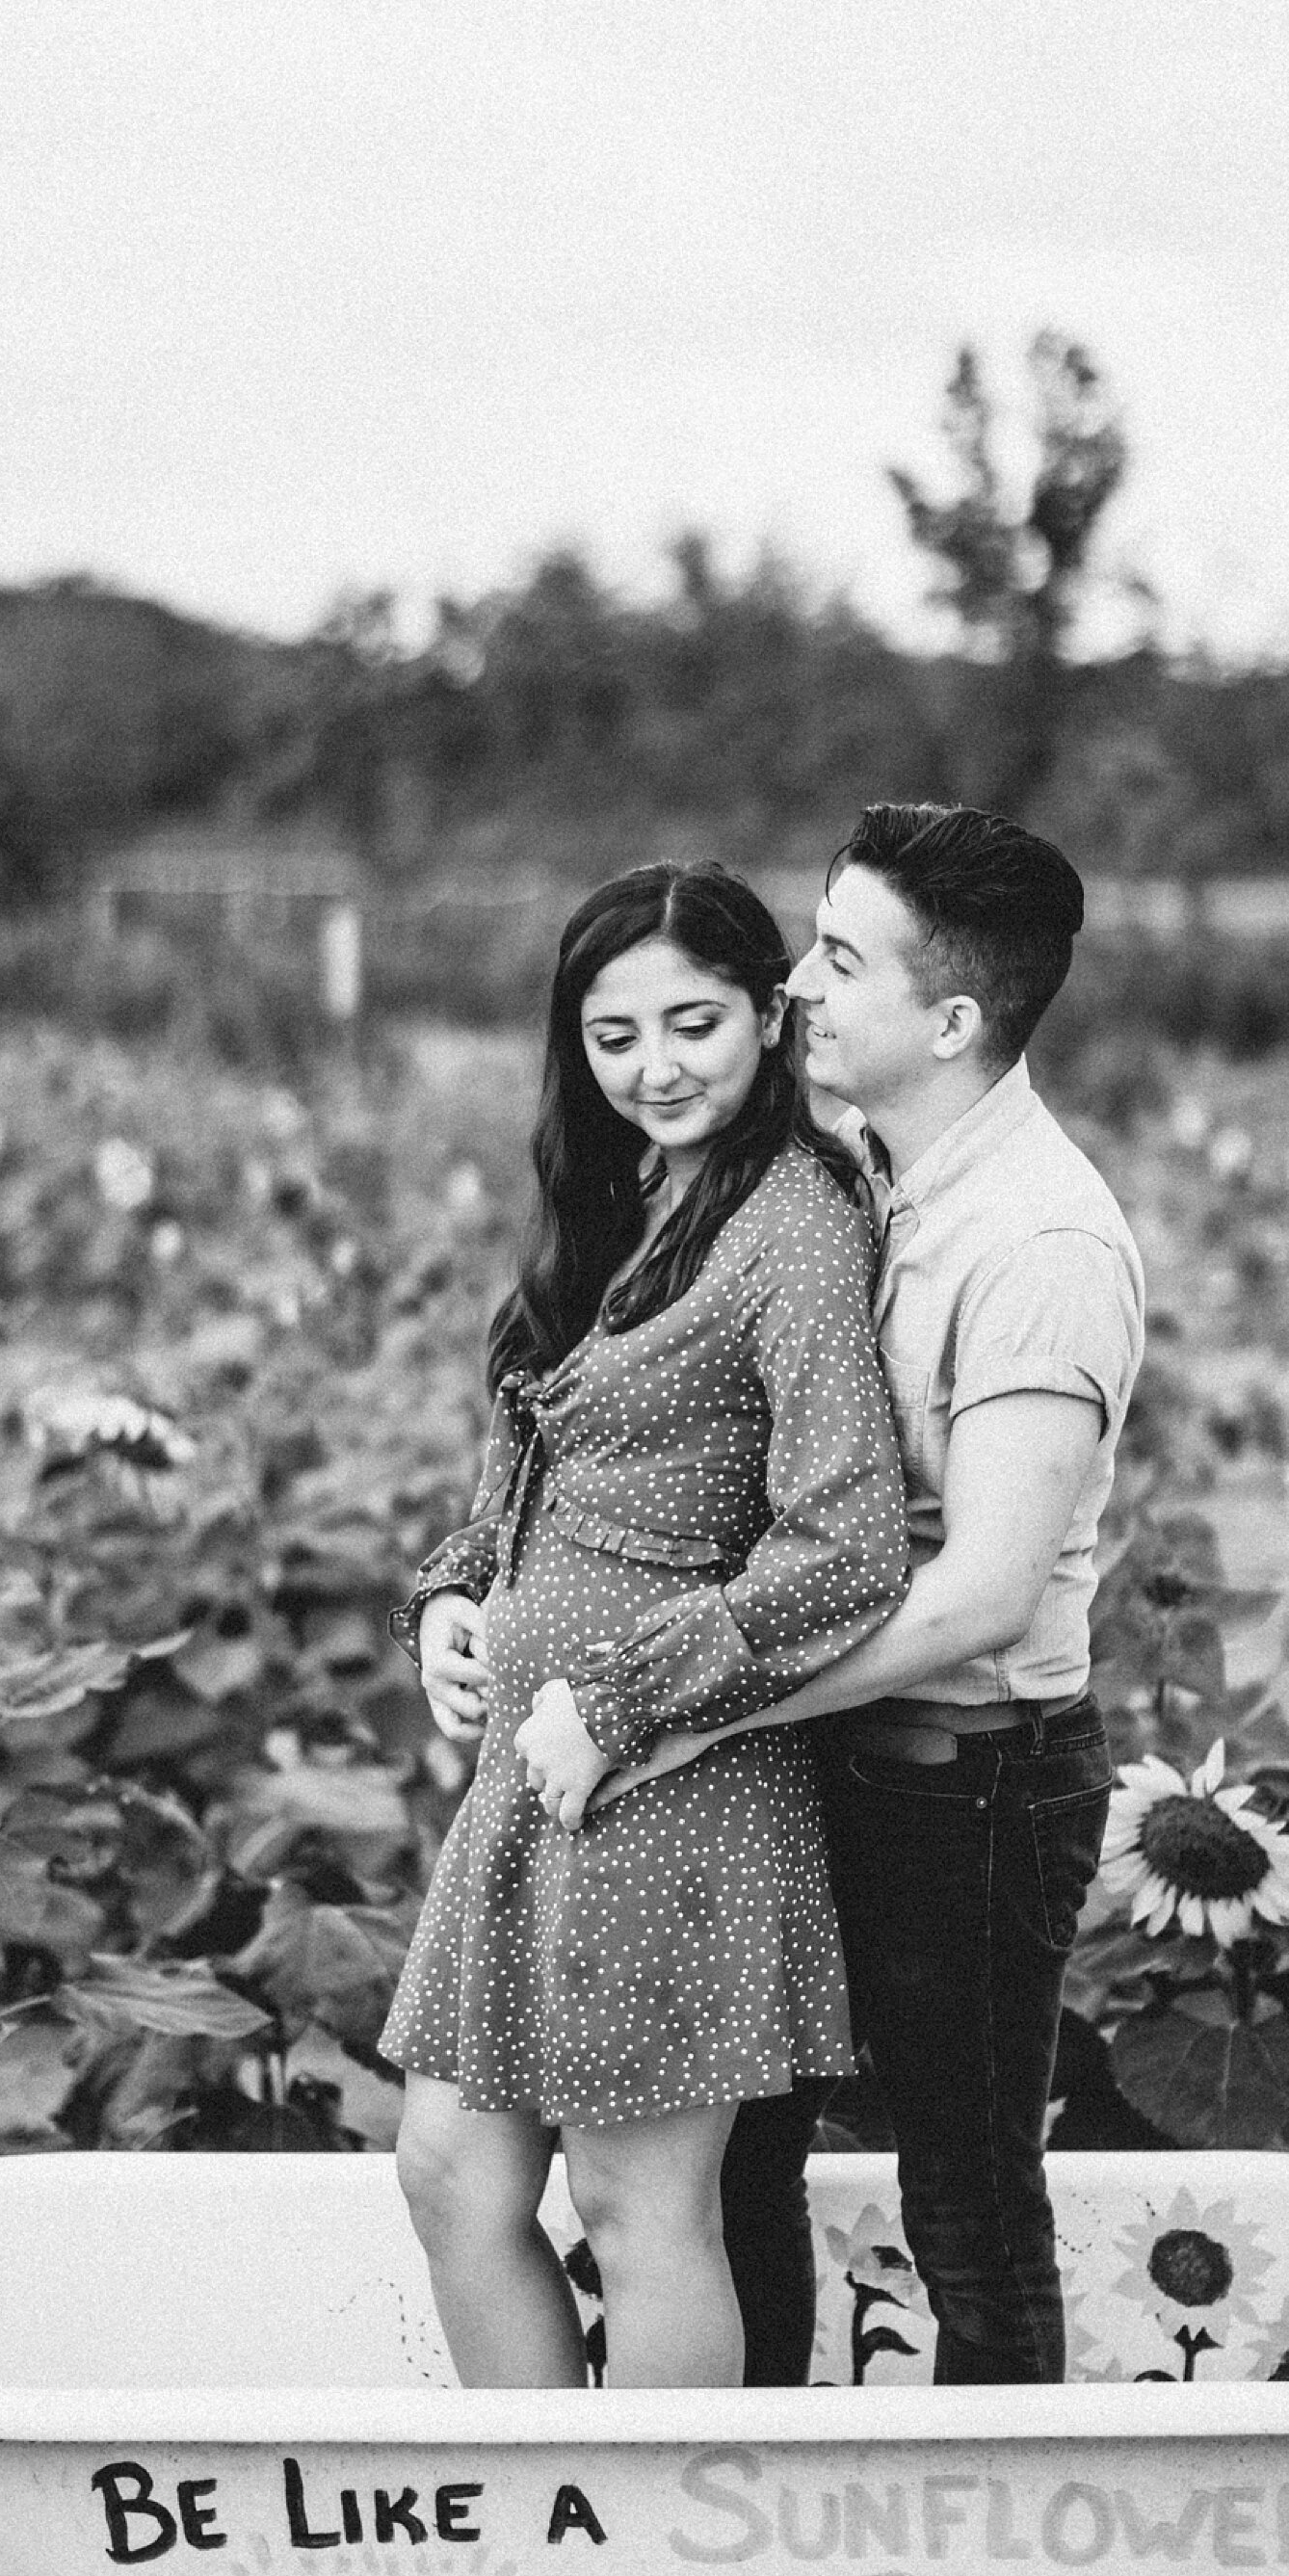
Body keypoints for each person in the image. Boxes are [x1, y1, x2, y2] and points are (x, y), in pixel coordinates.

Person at [576, 802, 1144, 2389]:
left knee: (963, 2198)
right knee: (737, 2157)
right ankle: (760, 2532)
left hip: (968, 1783)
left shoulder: (1040, 1242)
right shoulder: (871, 1180)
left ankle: (1000, 2571)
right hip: (831, 1751)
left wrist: (695, 1711)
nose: (800, 990)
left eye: (840, 958)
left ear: (952, 1018)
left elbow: (977, 1598)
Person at [382, 861, 910, 2392]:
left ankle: (654, 2565)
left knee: (634, 2205)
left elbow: (847, 1539)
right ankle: (556, 2528)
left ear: (767, 1013)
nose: (657, 1066)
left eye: (694, 1022)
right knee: (449, 2175)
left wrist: (618, 1704)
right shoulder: (616, 1201)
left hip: (669, 1777)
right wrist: (452, 1596)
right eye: (616, 1036)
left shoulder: (792, 1221)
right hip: (530, 1783)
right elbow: (524, 1477)